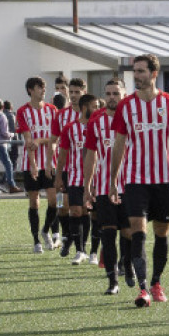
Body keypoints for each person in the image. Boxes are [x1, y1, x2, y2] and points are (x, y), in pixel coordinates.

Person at [110, 54, 169, 308]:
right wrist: (113, 180)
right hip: (135, 179)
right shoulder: (126, 106)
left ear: (154, 74)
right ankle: (143, 288)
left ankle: (156, 282)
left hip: (164, 179)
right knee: (137, 229)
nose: (137, 76)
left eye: (142, 71)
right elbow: (119, 145)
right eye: (135, 71)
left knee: (162, 232)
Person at [83, 79, 134, 295]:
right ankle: (112, 280)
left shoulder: (133, 118)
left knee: (129, 233)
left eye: (116, 93)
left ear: (124, 95)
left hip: (131, 185)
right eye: (108, 93)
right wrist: (87, 186)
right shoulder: (96, 121)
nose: (112, 97)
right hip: (104, 187)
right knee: (108, 232)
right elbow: (91, 155)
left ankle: (128, 265)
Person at [55, 94, 99, 266]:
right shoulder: (69, 128)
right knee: (74, 212)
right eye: (94, 106)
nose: (97, 109)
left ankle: (94, 252)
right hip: (74, 177)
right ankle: (80, 250)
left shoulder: (100, 127)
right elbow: (63, 154)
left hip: (96, 180)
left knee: (92, 213)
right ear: (84, 107)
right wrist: (59, 176)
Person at [18, 77, 60, 253]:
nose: (43, 90)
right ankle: (36, 240)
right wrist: (34, 164)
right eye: (39, 87)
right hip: (31, 164)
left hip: (51, 163)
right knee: (34, 202)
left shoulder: (53, 110)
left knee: (54, 200)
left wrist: (41, 140)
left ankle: (46, 230)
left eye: (44, 87)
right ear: (30, 90)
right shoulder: (22, 112)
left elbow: (54, 138)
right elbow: (28, 140)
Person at [52, 77, 87, 256]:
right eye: (70, 92)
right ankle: (67, 237)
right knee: (61, 206)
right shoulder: (61, 115)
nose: (73, 96)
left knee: (81, 208)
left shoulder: (90, 115)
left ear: (83, 92)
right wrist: (50, 160)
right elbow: (53, 140)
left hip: (82, 171)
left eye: (76, 92)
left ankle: (79, 243)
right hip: (62, 168)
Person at [0, 99, 21, 193]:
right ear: (2, 107)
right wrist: (12, 135)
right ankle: (11, 185)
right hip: (1, 144)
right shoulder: (2, 117)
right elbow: (4, 133)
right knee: (8, 165)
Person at [4, 100, 20, 176]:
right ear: (11, 107)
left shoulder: (1, 115)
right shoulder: (11, 116)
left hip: (4, 141)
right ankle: (10, 179)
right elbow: (15, 129)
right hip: (13, 141)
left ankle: (5, 178)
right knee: (13, 160)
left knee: (7, 161)